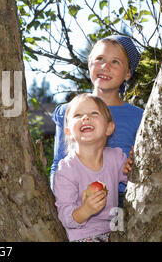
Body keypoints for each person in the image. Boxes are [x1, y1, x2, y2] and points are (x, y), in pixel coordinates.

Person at [50, 35, 143, 207]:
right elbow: (58, 161)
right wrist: (60, 199)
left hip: (120, 201)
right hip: (75, 198)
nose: (105, 66)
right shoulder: (68, 112)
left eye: (115, 62)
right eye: (99, 59)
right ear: (89, 64)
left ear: (128, 73)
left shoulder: (139, 118)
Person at [53, 93, 132, 242]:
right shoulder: (66, 169)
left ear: (109, 128)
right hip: (83, 236)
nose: (86, 118)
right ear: (68, 131)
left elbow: (133, 181)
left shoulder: (116, 158)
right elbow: (65, 216)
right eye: (78, 115)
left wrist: (132, 166)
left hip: (113, 232)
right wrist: (86, 210)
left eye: (94, 113)